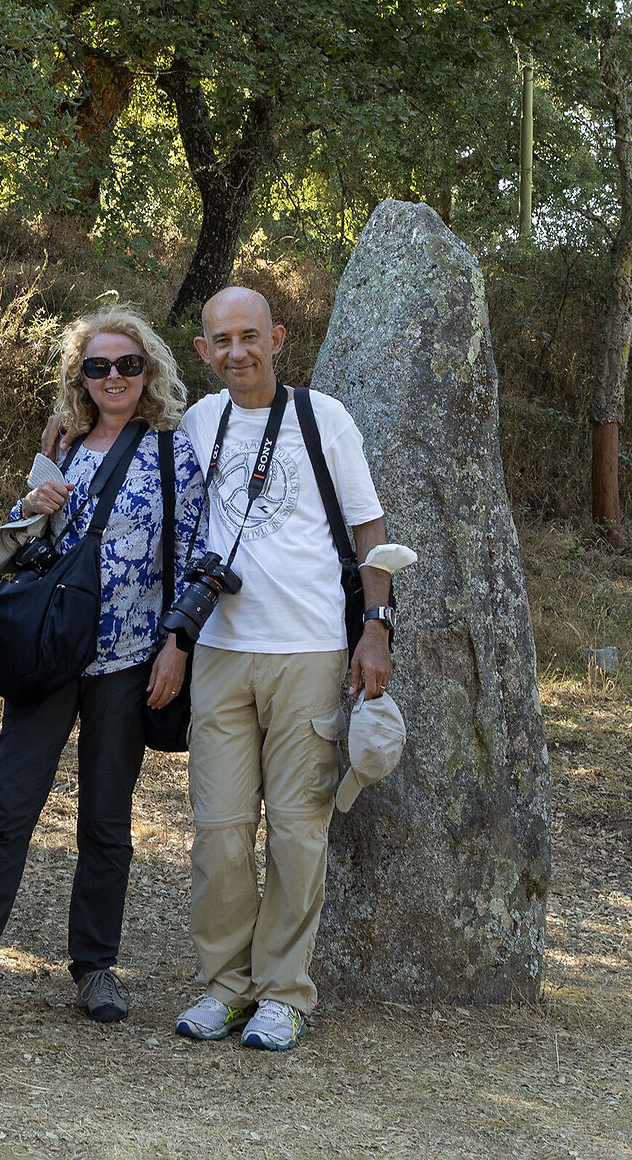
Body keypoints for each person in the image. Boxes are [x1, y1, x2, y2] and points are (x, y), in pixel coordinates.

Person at [0, 306, 206, 1024]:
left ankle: (96, 968)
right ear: (80, 376)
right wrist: (32, 501)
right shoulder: (62, 447)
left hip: (129, 660)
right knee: (7, 806)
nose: (113, 378)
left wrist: (177, 646)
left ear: (150, 370)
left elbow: (194, 556)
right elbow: (18, 546)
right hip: (52, 652)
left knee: (106, 819)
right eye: (97, 366)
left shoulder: (174, 452)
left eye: (127, 365)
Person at [170, 285, 392, 1052]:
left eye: (250, 336)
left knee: (298, 834)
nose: (238, 351)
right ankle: (225, 986)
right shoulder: (202, 422)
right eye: (222, 340)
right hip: (223, 652)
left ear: (278, 338)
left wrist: (376, 629)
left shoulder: (322, 417)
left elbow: (369, 527)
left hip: (309, 648)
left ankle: (284, 993)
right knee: (220, 833)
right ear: (204, 351)